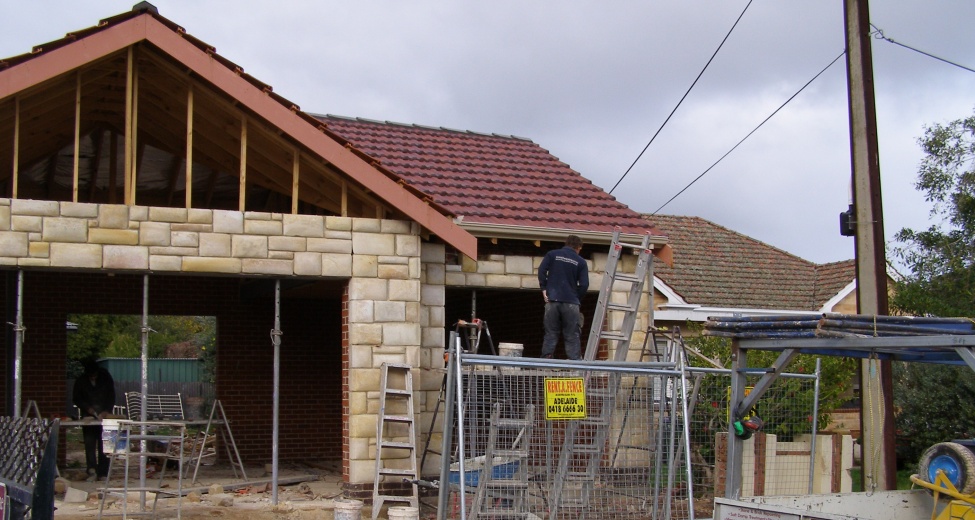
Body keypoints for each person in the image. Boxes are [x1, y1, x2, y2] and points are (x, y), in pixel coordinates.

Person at [538, 235, 589, 360]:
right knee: (572, 334)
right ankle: (574, 363)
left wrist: (544, 289)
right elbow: (584, 284)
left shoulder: (552, 254)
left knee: (551, 333)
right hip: (571, 303)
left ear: (566, 244)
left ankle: (546, 360)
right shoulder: (581, 261)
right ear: (578, 247)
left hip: (552, 300)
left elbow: (541, 271)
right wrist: (576, 298)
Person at [73, 359, 116, 481]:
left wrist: (107, 410)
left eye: (94, 376)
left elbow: (111, 395)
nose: (93, 378)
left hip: (105, 413)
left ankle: (103, 472)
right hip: (89, 416)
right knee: (89, 443)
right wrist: (88, 408)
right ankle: (92, 469)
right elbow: (76, 398)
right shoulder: (81, 381)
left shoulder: (105, 378)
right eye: (90, 376)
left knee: (105, 444)